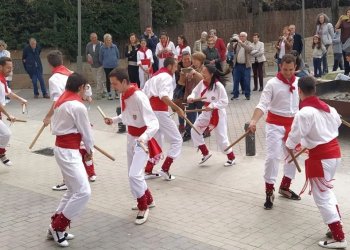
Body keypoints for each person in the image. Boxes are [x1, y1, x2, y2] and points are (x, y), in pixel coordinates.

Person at [286, 76, 347, 249]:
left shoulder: (304, 113)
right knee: (326, 191)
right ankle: (335, 226)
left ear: (299, 91)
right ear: (315, 90)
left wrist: (290, 146)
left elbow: (294, 137)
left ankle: (339, 237)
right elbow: (334, 127)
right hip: (335, 154)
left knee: (322, 197)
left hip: (321, 158)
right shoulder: (328, 108)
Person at [104, 68, 160, 225]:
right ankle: (148, 199)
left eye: (114, 84)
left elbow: (154, 122)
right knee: (132, 173)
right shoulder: (124, 94)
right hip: (131, 137)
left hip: (142, 141)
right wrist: (114, 120)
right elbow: (127, 115)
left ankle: (143, 207)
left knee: (134, 175)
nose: (113, 87)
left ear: (124, 82)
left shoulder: (139, 97)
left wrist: (143, 138)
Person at [247, 54, 300, 210]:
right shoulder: (272, 84)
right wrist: (254, 121)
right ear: (279, 66)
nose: (288, 72)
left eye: (291, 69)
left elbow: (308, 101)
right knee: (272, 157)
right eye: (285, 69)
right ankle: (269, 190)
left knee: (292, 156)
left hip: (293, 125)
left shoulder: (299, 82)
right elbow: (262, 104)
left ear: (295, 67)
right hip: (275, 125)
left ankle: (285, 187)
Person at [47, 73, 93, 247]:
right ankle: (57, 227)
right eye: (86, 88)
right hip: (68, 151)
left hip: (65, 149)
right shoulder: (76, 106)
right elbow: (86, 132)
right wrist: (90, 151)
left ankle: (55, 226)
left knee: (73, 190)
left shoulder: (61, 100)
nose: (85, 91)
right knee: (83, 192)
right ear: (81, 87)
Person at [43, 50, 97, 191]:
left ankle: (69, 181)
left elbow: (56, 101)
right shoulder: (70, 72)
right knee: (84, 141)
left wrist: (48, 116)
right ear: (62, 60)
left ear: (49, 64)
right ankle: (90, 173)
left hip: (66, 113)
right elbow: (87, 88)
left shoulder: (54, 79)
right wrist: (88, 96)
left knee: (73, 146)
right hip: (78, 108)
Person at [142, 57, 184, 180]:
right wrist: (177, 109)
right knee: (177, 140)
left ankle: (148, 170)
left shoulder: (154, 76)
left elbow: (144, 95)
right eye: (175, 66)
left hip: (151, 111)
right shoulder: (167, 76)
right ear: (170, 66)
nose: (176, 69)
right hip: (160, 112)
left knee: (158, 142)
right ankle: (165, 169)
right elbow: (164, 96)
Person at [187, 64, 235, 166]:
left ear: (211, 74)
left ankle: (231, 157)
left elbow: (225, 102)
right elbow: (195, 92)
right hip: (205, 111)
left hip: (218, 113)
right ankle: (205, 153)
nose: (202, 74)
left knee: (221, 137)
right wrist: (191, 97)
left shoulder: (218, 86)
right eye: (202, 71)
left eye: (205, 72)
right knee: (195, 130)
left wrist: (213, 105)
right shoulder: (202, 83)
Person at [0, 57, 27, 166]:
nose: (10, 70)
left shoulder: (2, 79)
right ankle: (1, 154)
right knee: (6, 133)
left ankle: (1, 154)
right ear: (0, 67)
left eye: (11, 68)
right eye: (8, 68)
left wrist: (22, 100)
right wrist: (9, 115)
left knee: (4, 134)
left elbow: (8, 92)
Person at [179, 52, 204, 142]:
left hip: (201, 96)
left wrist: (195, 73)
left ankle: (204, 131)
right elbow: (181, 83)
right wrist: (183, 74)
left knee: (202, 114)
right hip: (190, 95)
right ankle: (188, 132)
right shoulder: (190, 68)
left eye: (195, 60)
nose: (193, 62)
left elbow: (203, 79)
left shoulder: (204, 68)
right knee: (190, 114)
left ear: (200, 61)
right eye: (193, 60)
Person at [231, 32, 253, 100]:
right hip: (237, 65)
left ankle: (247, 95)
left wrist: (241, 43)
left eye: (243, 36)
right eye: (240, 36)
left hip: (246, 66)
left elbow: (249, 49)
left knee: (247, 81)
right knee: (236, 80)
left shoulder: (249, 43)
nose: (241, 37)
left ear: (246, 37)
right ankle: (235, 95)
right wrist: (232, 43)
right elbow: (230, 49)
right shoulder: (237, 43)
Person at [86, 32, 106, 99]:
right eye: (93, 38)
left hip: (100, 64)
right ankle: (103, 91)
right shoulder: (88, 45)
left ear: (97, 37)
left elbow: (104, 53)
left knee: (99, 79)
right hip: (92, 65)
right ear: (90, 38)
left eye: (95, 37)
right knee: (96, 79)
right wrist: (88, 58)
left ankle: (98, 93)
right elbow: (87, 53)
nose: (94, 39)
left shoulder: (101, 44)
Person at [99, 33, 120, 100]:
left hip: (114, 65)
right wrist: (104, 63)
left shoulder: (114, 46)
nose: (108, 41)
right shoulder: (102, 48)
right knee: (108, 80)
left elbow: (118, 55)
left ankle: (116, 93)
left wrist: (115, 61)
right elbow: (100, 58)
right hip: (106, 66)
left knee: (115, 79)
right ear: (104, 40)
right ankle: (109, 94)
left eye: (109, 40)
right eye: (107, 40)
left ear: (111, 40)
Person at [335, 9, 350, 75]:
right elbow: (336, 27)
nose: (349, 13)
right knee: (346, 58)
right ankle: (346, 72)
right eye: (348, 12)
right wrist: (340, 19)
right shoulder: (343, 21)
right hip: (344, 42)